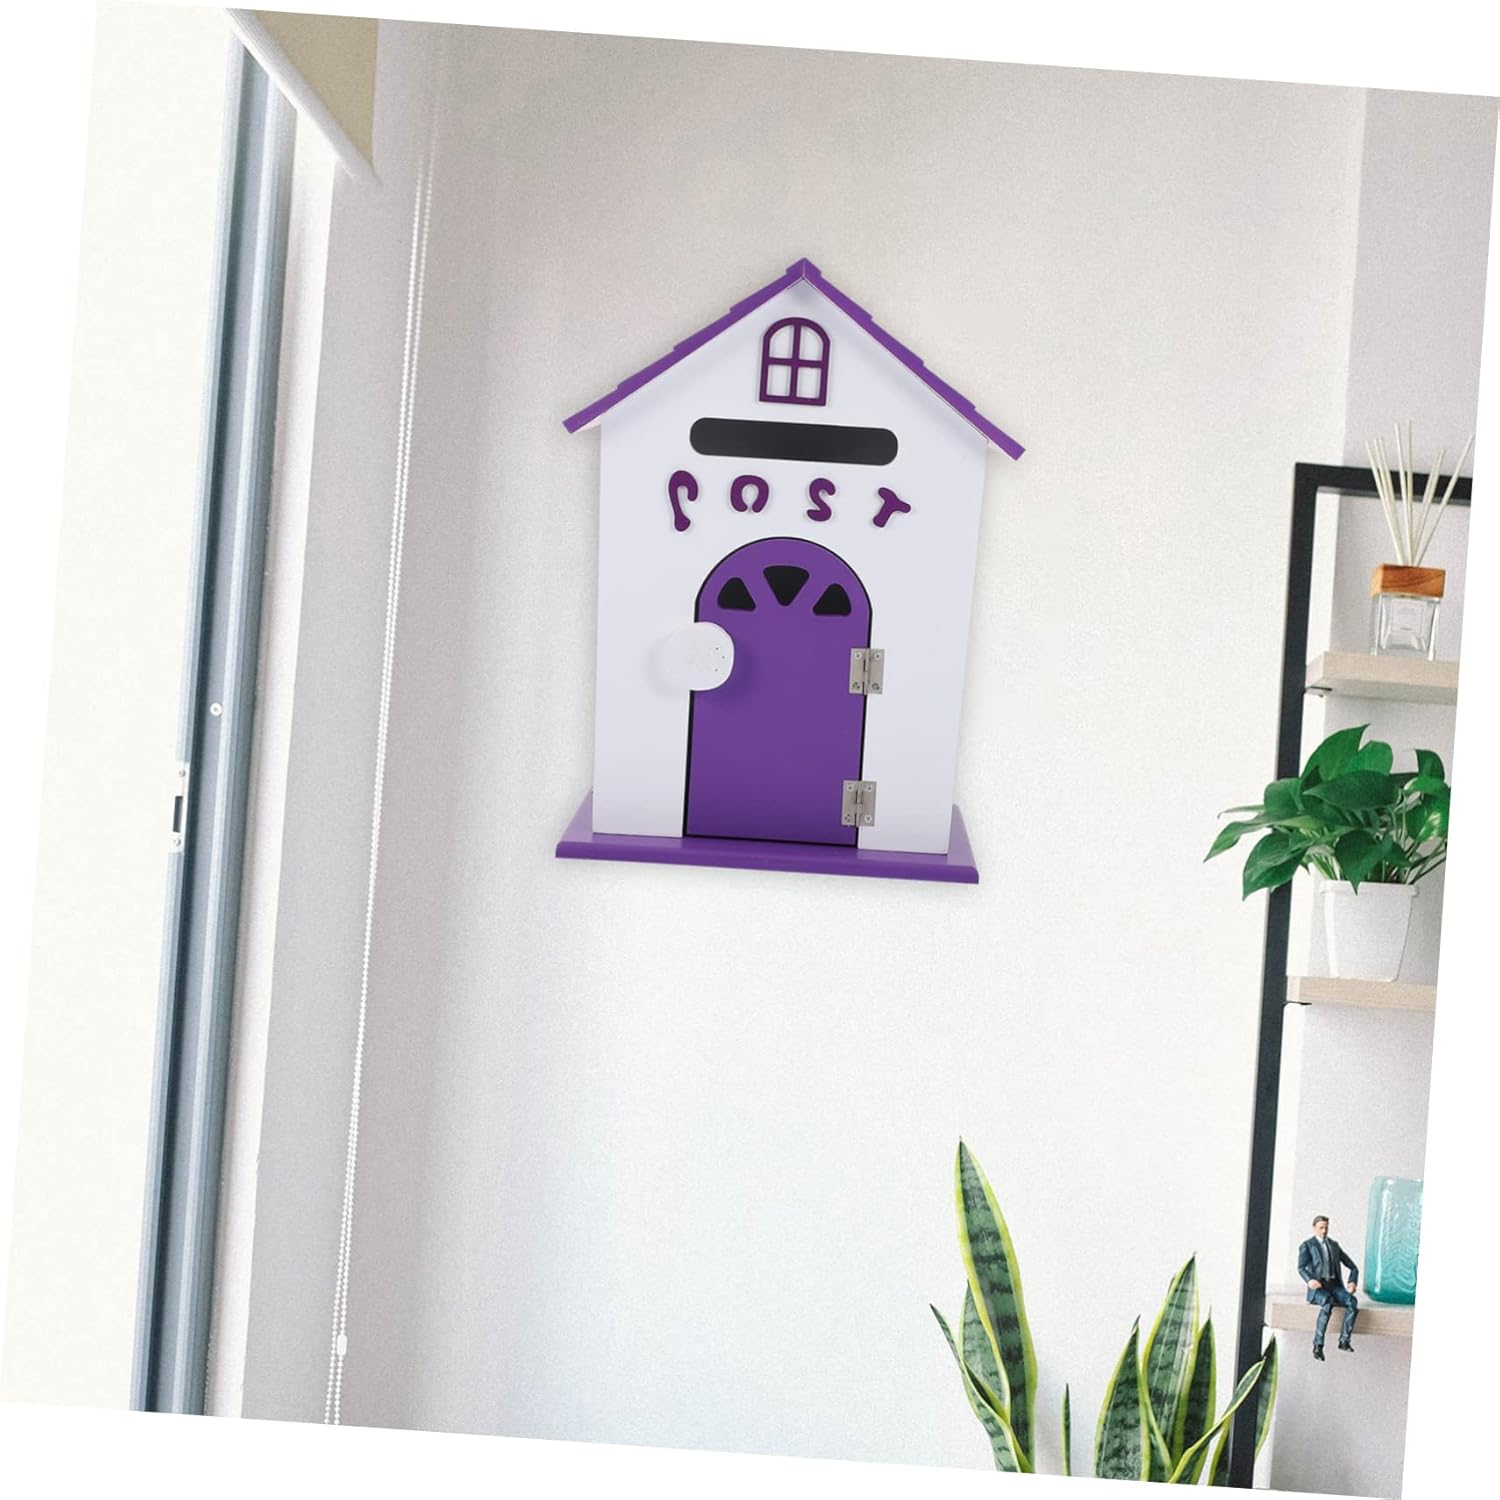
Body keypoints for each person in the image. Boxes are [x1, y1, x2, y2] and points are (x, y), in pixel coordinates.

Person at [1297, 1214, 1358, 1360]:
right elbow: (1301, 1267)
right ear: (1314, 1228)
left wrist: (1352, 1282)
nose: (1324, 1231)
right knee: (1328, 1302)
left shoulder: (1334, 1246)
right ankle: (1318, 1345)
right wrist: (1309, 1280)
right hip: (1318, 1288)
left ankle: (1344, 1340)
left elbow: (1353, 1267)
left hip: (1334, 1286)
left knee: (1352, 1302)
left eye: (1326, 1228)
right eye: (1321, 1228)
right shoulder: (1308, 1245)